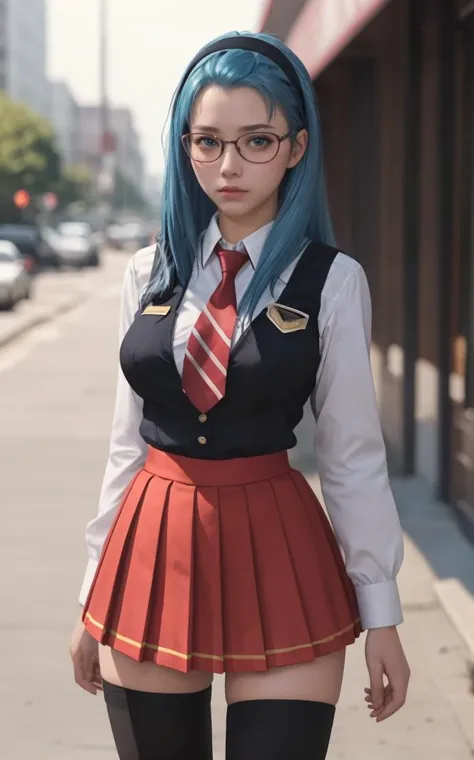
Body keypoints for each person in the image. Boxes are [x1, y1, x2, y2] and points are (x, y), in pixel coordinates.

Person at [69, 30, 410, 760]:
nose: (228, 166)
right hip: (151, 547)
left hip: (281, 545)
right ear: (184, 146)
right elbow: (126, 444)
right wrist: (92, 594)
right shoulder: (147, 273)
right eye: (208, 142)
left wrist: (381, 612)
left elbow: (352, 454)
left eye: (257, 141)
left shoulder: (333, 281)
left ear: (295, 147)